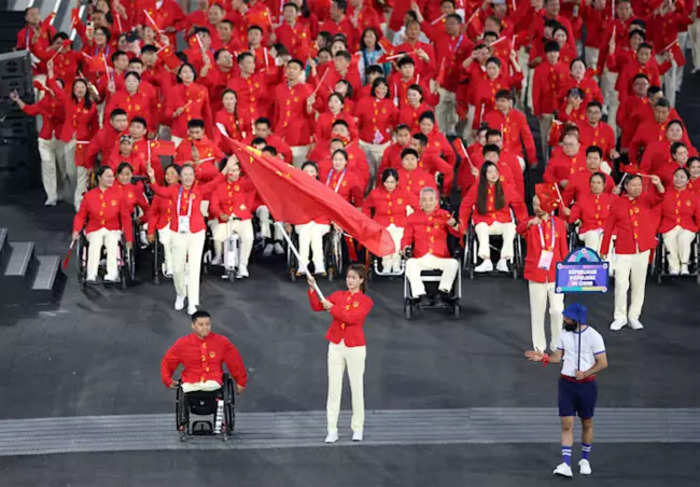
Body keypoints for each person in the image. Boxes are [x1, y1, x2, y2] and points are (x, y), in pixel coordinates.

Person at [147, 155, 238, 315]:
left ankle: (193, 302)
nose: (188, 177)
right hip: (177, 232)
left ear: (194, 176)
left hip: (196, 232)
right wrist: (152, 176)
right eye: (185, 175)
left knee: (194, 267)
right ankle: (181, 294)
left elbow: (216, 181)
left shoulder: (199, 189)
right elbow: (158, 190)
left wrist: (227, 167)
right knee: (177, 268)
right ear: (180, 177)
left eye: (191, 174)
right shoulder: (174, 190)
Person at [525, 303, 608, 478]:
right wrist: (544, 357)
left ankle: (584, 459)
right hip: (566, 385)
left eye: (567, 318)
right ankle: (566, 464)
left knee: (587, 423)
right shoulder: (564, 334)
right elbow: (558, 357)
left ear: (577, 320)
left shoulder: (594, 337)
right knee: (567, 424)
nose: (564, 319)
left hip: (587, 385)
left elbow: (602, 362)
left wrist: (585, 373)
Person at [306, 264, 373, 443]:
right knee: (333, 389)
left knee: (356, 388)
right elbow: (317, 306)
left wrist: (332, 308)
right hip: (336, 345)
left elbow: (352, 318)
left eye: (353, 278)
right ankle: (332, 429)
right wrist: (313, 289)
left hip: (355, 348)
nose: (350, 281)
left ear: (361, 280)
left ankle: (357, 428)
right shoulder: (338, 296)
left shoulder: (366, 301)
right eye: (348, 277)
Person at [601, 174, 665, 331]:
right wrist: (604, 249)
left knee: (639, 285)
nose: (638, 188)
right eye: (634, 185)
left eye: (640, 185)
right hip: (623, 249)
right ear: (626, 186)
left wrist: (658, 184)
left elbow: (661, 197)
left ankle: (634, 316)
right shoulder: (617, 203)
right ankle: (620, 317)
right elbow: (608, 227)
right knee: (621, 284)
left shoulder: (646, 199)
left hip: (642, 249)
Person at [518, 192, 569, 353]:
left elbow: (564, 250)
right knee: (538, 312)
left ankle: (556, 344)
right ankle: (539, 346)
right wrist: (529, 224)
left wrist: (567, 271)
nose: (537, 207)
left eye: (540, 204)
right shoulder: (530, 223)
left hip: (556, 273)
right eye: (534, 204)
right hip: (536, 273)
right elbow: (518, 230)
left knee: (557, 310)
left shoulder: (559, 223)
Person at [459, 161, 527, 273]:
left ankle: (503, 261)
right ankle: (486, 261)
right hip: (483, 221)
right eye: (490, 172)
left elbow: (519, 204)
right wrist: (463, 225)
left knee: (511, 228)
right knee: (481, 227)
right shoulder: (477, 188)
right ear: (484, 174)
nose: (493, 174)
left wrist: (523, 223)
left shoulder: (506, 187)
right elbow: (466, 205)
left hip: (502, 221)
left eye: (495, 171)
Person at [161, 310, 247, 394]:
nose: (205, 327)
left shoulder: (221, 342)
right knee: (189, 389)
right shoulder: (182, 343)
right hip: (191, 382)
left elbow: (235, 362)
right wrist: (167, 380)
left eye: (208, 324)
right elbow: (168, 361)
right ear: (193, 326)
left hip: (213, 382)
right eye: (201, 325)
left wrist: (240, 381)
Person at [72, 166, 133, 282]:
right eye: (108, 176)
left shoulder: (119, 195)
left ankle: (112, 274)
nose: (111, 179)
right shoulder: (89, 196)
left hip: (113, 228)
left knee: (112, 243)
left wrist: (129, 239)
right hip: (94, 228)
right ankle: (91, 274)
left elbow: (126, 218)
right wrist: (76, 230)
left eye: (112, 176)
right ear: (99, 178)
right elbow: (80, 216)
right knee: (95, 243)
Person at [401, 187, 461, 302]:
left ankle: (444, 291)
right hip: (421, 256)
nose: (427, 203)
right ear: (420, 202)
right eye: (424, 200)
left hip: (440, 256)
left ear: (436, 202)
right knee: (410, 264)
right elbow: (406, 238)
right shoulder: (412, 218)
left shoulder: (444, 215)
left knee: (453, 263)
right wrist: (405, 247)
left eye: (430, 199)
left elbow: (458, 234)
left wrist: (454, 225)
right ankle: (419, 294)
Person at [208, 161, 257, 278]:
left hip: (242, 218)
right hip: (225, 219)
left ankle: (242, 265)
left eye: (236, 170)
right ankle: (220, 257)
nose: (234, 174)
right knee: (218, 236)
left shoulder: (244, 184)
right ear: (225, 172)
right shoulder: (218, 186)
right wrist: (220, 214)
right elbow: (213, 206)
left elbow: (256, 178)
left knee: (248, 237)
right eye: (231, 171)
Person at [362, 168, 412, 273]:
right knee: (386, 242)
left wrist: (411, 220)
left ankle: (396, 264)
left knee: (397, 242)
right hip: (382, 224)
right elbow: (366, 206)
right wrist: (368, 221)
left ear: (397, 182)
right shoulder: (375, 193)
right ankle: (386, 265)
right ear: (383, 182)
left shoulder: (404, 193)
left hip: (400, 224)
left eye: (392, 182)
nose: (390, 185)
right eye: (387, 182)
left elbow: (416, 206)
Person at [658, 168, 700, 275]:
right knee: (669, 239)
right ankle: (674, 267)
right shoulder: (665, 192)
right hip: (668, 224)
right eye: (676, 176)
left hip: (687, 226)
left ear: (687, 180)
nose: (678, 179)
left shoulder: (693, 195)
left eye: (682, 177)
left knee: (684, 238)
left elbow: (698, 214)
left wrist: (698, 227)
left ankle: (684, 265)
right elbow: (658, 212)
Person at [296, 161, 331, 276]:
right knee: (305, 233)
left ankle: (319, 266)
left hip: (320, 222)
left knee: (315, 232)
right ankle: (302, 265)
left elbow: (328, 207)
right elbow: (292, 207)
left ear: (316, 173)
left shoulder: (322, 188)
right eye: (306, 171)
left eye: (312, 171)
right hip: (303, 221)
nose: (309, 174)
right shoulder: (296, 187)